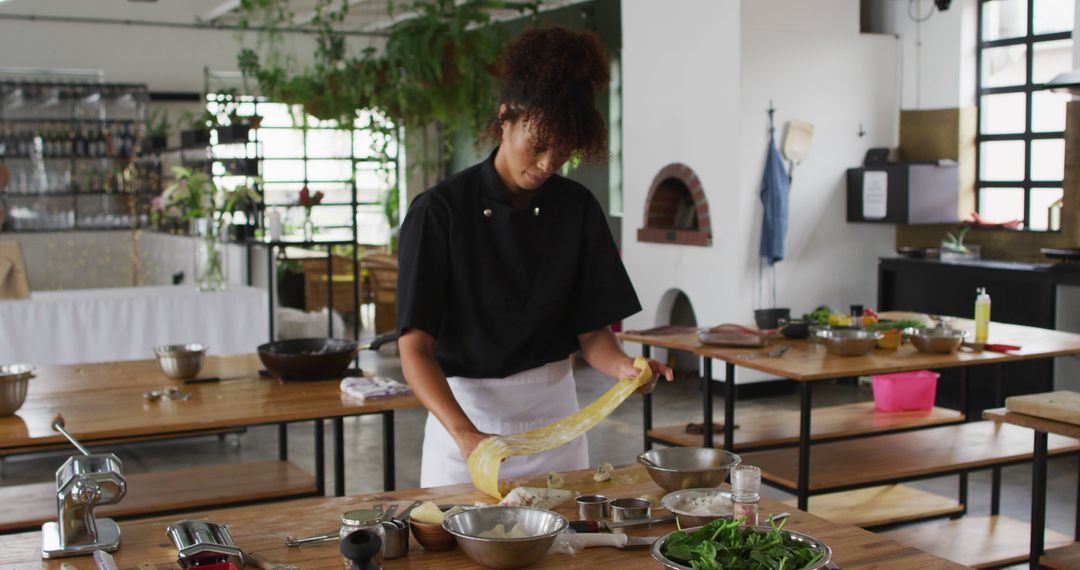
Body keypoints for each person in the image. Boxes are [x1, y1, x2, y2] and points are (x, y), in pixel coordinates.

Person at [396, 25, 673, 488]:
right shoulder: (440, 211)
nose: (546, 164)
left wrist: (627, 368)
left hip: (557, 426)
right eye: (538, 144)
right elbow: (415, 349)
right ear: (505, 117)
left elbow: (593, 335)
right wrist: (467, 436)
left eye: (561, 152)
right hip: (464, 421)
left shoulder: (576, 208)